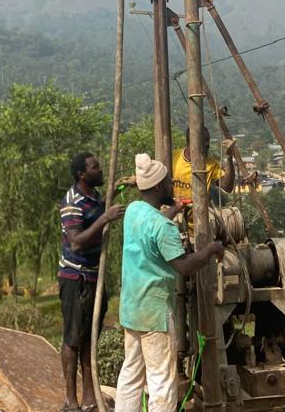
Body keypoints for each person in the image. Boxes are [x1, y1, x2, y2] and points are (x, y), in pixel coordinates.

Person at [115, 153, 225, 412]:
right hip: (154, 314)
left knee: (131, 375)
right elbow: (184, 266)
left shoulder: (133, 211)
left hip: (131, 309)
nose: (172, 187)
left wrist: (173, 211)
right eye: (168, 183)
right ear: (157, 186)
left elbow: (151, 229)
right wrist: (211, 249)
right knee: (161, 383)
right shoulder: (164, 228)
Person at [59, 152, 125, 412]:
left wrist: (120, 187)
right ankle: (70, 400)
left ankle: (88, 398)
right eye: (95, 168)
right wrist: (105, 218)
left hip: (94, 277)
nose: (100, 170)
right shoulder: (72, 202)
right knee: (73, 339)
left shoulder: (95, 198)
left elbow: (102, 206)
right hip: (76, 278)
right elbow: (76, 240)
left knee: (90, 340)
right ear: (81, 175)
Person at [171, 124, 236, 206]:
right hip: (173, 212)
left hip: (200, 215)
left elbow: (227, 187)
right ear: (192, 142)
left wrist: (229, 157)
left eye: (208, 142)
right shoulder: (173, 157)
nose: (208, 146)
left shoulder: (211, 164)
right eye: (205, 143)